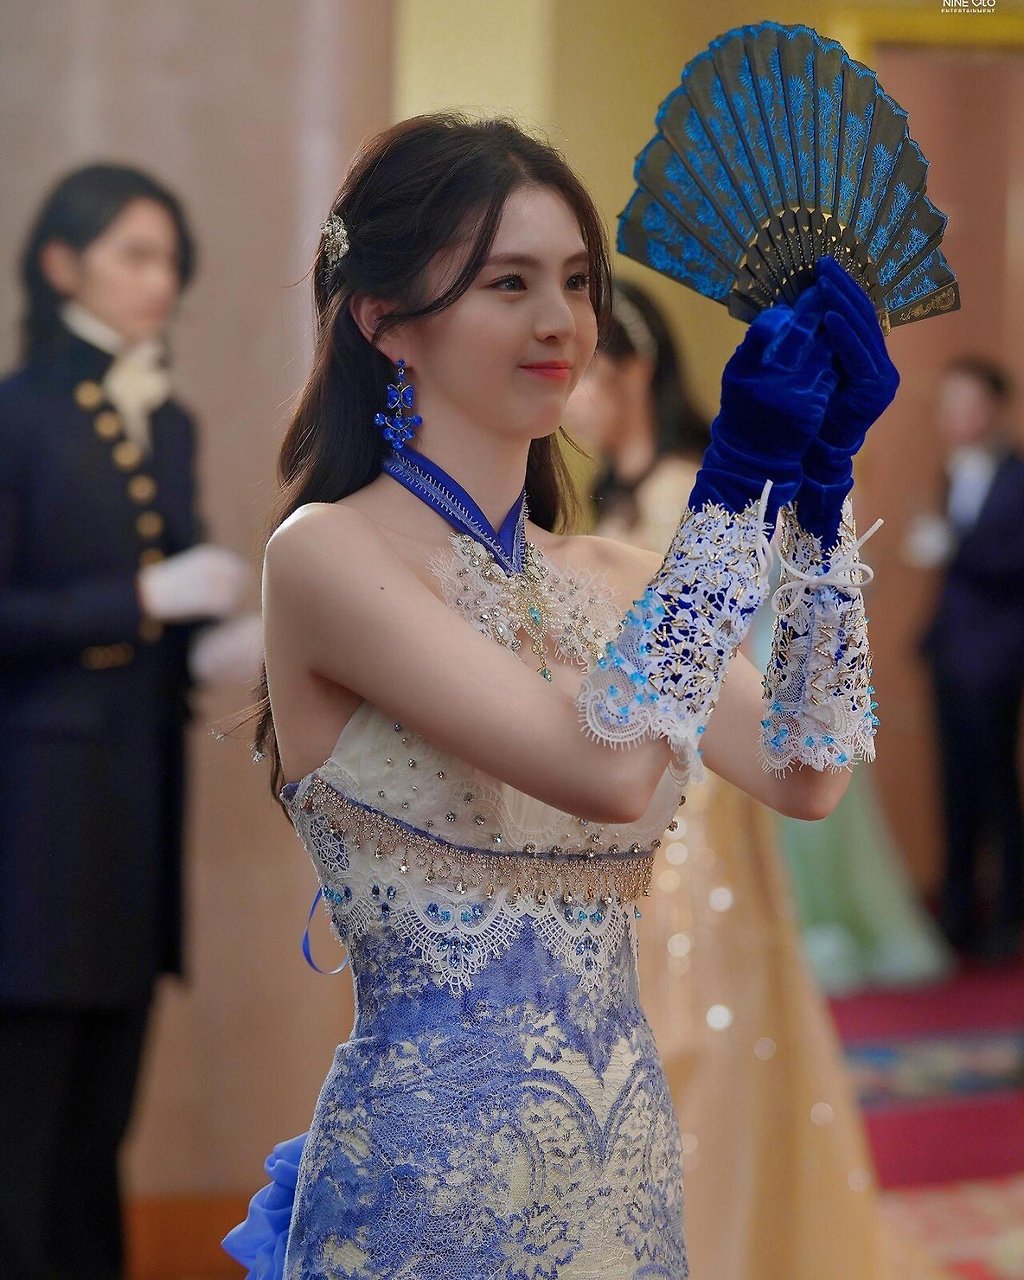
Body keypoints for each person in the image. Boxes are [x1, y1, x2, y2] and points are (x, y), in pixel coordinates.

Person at [222, 114, 895, 1279]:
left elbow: (809, 769)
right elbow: (608, 768)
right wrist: (732, 483)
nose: (561, 322)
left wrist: (820, 500)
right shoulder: (326, 554)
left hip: (623, 1182)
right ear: (384, 320)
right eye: (509, 282)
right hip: (425, 1203)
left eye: (576, 281)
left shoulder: (617, 577)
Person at [565, 279, 948, 1280]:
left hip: (700, 798)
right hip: (615, 814)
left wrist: (822, 490)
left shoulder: (674, 497)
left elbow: (805, 762)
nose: (564, 374)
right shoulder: (584, 522)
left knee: (708, 1029)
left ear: (634, 368)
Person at [0, 163, 256, 1280]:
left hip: (132, 815)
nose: (162, 280)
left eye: (171, 259)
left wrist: (237, 645)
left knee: (98, 1127)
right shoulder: (17, 415)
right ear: (62, 264)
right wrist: (141, 598)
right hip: (29, 830)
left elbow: (171, 632)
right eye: (135, 254)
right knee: (19, 1135)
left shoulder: (171, 421)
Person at [909, 356, 1024, 960]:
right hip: (952, 651)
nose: (952, 416)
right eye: (947, 403)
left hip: (997, 654)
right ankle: (958, 910)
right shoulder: (953, 472)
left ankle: (1009, 911)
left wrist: (953, 545)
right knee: (953, 785)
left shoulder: (1016, 476)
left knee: (995, 783)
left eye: (965, 402)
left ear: (993, 408)